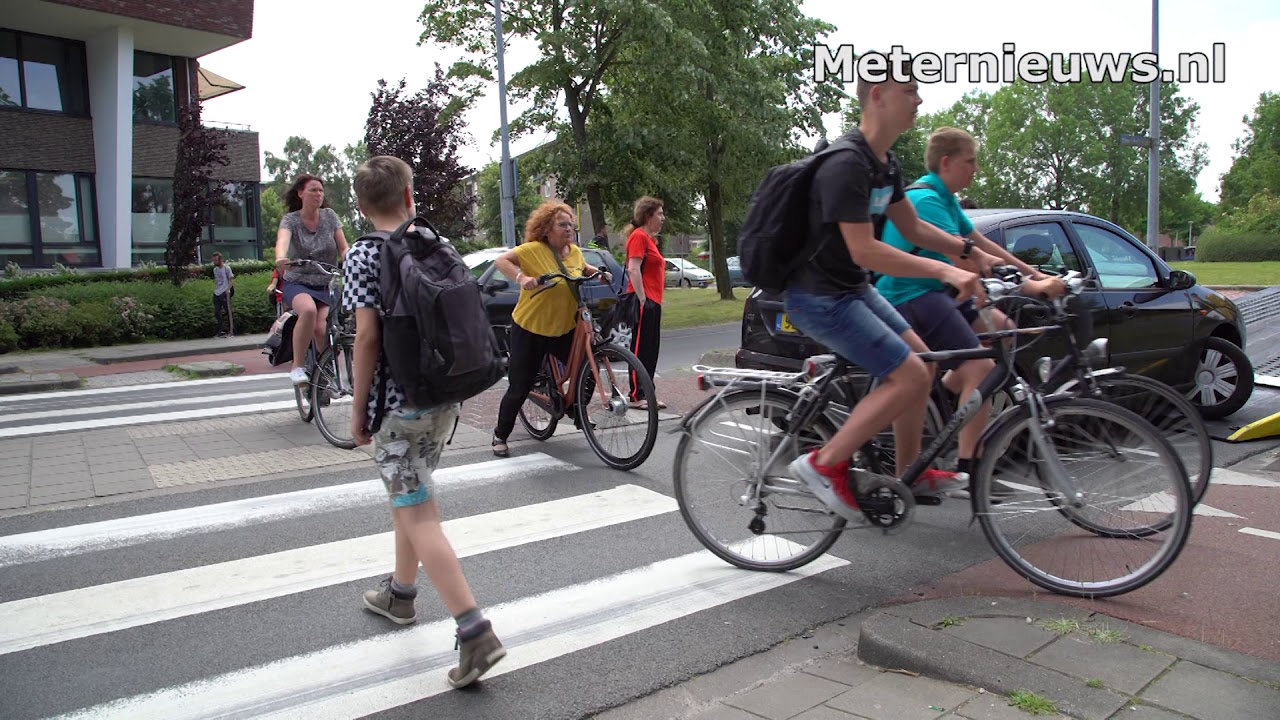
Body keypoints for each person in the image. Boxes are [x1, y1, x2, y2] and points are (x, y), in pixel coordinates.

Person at [783, 64, 1008, 517]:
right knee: (908, 374)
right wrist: (946, 273)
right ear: (879, 96)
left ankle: (910, 472)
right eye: (911, 91)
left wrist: (970, 253)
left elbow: (912, 227)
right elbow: (865, 250)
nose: (919, 100)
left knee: (919, 367)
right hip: (819, 297)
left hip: (850, 289)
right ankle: (823, 464)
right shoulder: (846, 164)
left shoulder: (882, 163)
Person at [343, 155, 505, 689]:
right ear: (410, 198)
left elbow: (366, 338)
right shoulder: (438, 244)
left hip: (398, 406)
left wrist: (358, 409)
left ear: (362, 207)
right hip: (445, 398)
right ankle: (400, 594)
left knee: (419, 515)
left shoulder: (364, 256)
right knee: (412, 498)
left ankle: (474, 630)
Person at [877, 127, 1067, 489]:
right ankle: (969, 468)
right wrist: (1031, 286)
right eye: (971, 162)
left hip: (938, 292)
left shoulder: (947, 199)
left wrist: (1037, 274)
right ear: (946, 163)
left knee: (1004, 330)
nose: (976, 169)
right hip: (909, 294)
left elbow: (981, 244)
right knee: (981, 367)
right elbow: (962, 257)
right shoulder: (927, 200)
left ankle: (951, 394)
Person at [489, 200, 613, 457]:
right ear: (546, 228)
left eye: (571, 224)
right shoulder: (534, 249)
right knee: (519, 386)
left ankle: (576, 410)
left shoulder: (575, 251)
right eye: (562, 224)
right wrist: (523, 278)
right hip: (531, 328)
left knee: (589, 369)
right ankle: (500, 434)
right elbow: (502, 261)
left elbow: (580, 267)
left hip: (562, 329)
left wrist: (597, 273)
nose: (569, 228)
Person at [275, 174, 348, 386]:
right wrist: (281, 257)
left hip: (325, 282)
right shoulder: (291, 220)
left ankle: (322, 373)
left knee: (322, 329)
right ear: (300, 194)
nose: (318, 194)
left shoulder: (330, 216)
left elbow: (343, 246)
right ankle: (297, 367)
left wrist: (350, 257)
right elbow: (282, 241)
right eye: (313, 190)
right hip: (298, 281)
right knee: (307, 310)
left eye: (320, 191)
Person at [622, 196, 667, 410]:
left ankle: (647, 393)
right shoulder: (638, 237)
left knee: (651, 350)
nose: (662, 218)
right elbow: (633, 268)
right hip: (644, 300)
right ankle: (636, 395)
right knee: (640, 349)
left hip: (653, 301)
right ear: (648, 216)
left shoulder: (650, 240)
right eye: (659, 213)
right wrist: (642, 299)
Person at [211, 252, 234, 337]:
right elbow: (217, 281)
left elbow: (231, 280)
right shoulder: (215, 270)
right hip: (217, 292)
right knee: (217, 312)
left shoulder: (226, 268)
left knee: (228, 312)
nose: (214, 262)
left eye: (216, 260)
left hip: (224, 292)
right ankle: (220, 330)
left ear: (220, 260)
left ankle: (231, 331)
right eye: (213, 260)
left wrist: (228, 289)